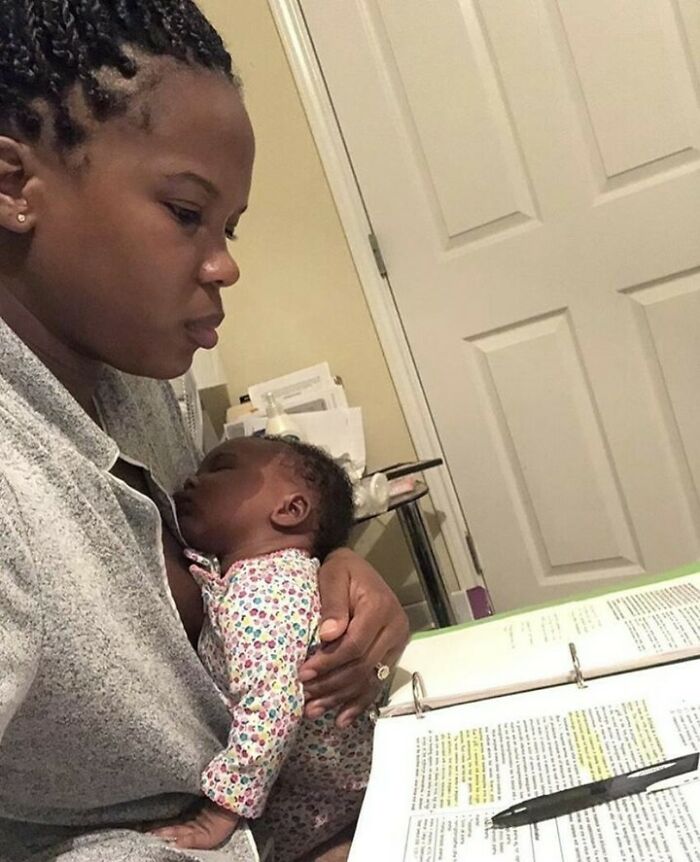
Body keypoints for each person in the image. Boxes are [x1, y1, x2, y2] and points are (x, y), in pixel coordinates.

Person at [0, 3, 409, 861]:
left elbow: (224, 552)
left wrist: (323, 562)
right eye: (187, 214)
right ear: (13, 186)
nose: (225, 264)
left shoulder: (146, 383)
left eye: (230, 227)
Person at [150, 435, 373, 859]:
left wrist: (221, 809)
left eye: (220, 468)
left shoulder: (264, 592)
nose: (191, 481)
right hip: (319, 787)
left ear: (290, 510)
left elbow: (271, 706)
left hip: (330, 800)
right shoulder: (255, 577)